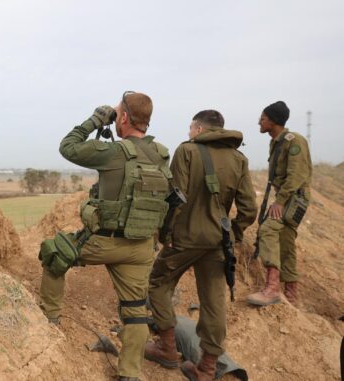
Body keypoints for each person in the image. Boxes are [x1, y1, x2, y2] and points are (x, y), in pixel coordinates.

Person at [39, 91, 171, 381]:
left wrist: (97, 119)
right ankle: (130, 374)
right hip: (141, 247)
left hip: (104, 242)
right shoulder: (161, 154)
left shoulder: (114, 152)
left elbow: (68, 147)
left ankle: (48, 320)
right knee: (136, 310)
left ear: (122, 117)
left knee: (54, 254)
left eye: (118, 113)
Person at [145, 110, 257, 381]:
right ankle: (206, 368)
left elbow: (176, 197)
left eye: (190, 128)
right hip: (219, 242)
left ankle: (168, 348)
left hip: (184, 239)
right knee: (214, 303)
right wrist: (236, 234)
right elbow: (249, 208)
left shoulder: (186, 152)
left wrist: (166, 232)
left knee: (159, 283)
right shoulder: (239, 159)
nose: (188, 133)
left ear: (198, 128)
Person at [247, 101, 312, 306]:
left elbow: (296, 175)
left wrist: (281, 201)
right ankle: (291, 294)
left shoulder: (294, 141)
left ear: (273, 121)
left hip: (293, 197)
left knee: (268, 229)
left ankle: (273, 288)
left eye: (263, 118)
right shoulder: (277, 142)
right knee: (285, 241)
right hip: (289, 196)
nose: (260, 121)